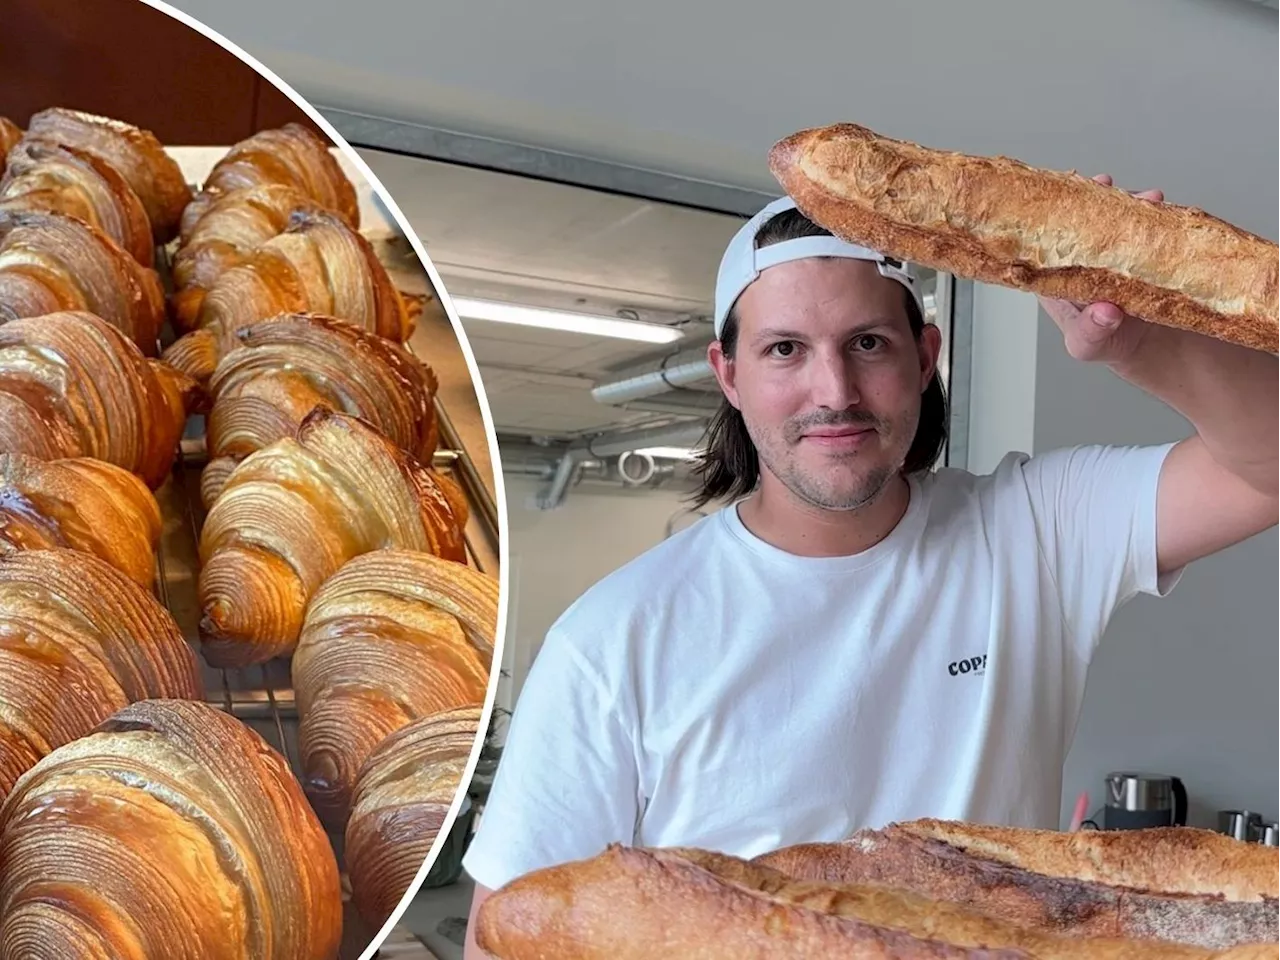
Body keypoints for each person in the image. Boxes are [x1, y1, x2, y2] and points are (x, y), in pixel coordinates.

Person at [461, 185, 1280, 955]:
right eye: (786, 349)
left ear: (925, 358)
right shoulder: (615, 639)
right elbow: (511, 933)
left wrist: (1142, 341)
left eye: (867, 344)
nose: (836, 391)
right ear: (730, 375)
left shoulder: (1033, 531)